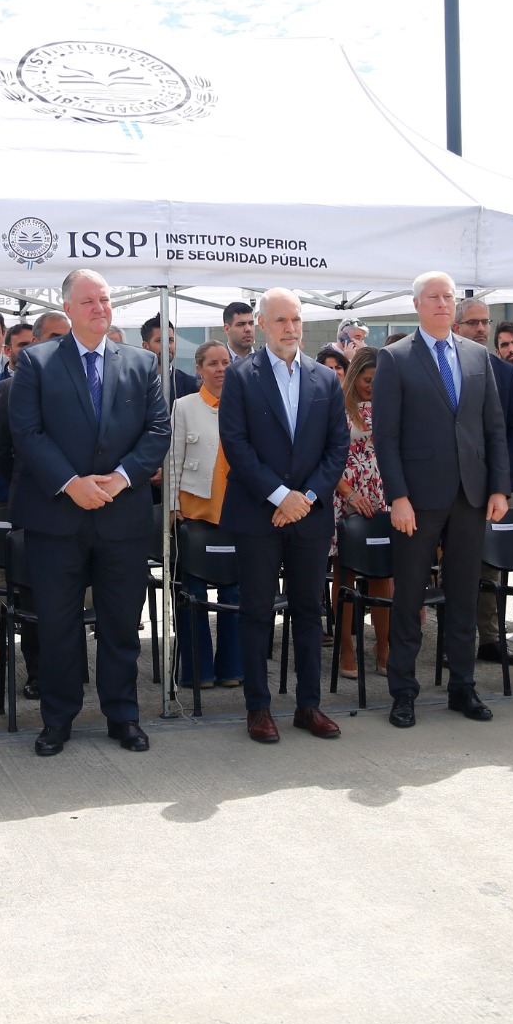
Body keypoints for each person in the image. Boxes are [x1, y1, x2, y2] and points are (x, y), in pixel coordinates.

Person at [8, 268, 170, 756]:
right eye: (89, 302)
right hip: (58, 519)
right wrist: (71, 484)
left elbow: (157, 432)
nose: (100, 308)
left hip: (122, 518)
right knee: (57, 625)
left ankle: (123, 715)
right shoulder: (36, 363)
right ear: (68, 310)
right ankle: (58, 719)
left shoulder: (142, 363)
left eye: (105, 300)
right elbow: (27, 433)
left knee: (122, 624)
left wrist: (121, 478)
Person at [371, 271, 512, 729]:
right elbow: (385, 436)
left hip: (470, 496)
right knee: (410, 594)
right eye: (433, 297)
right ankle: (404, 691)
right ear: (416, 304)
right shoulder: (395, 358)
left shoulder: (476, 355)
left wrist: (499, 486)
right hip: (418, 498)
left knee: (464, 594)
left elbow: (494, 427)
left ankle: (462, 686)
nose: (442, 303)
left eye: (448, 296)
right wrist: (398, 496)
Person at [218, 287, 349, 743]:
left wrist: (305, 497)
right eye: (279, 321)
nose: (290, 328)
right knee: (256, 612)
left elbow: (338, 448)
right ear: (261, 324)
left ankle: (308, 706)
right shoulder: (241, 376)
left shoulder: (325, 379)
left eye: (295, 320)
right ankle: (259, 708)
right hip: (258, 515)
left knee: (309, 610)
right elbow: (235, 444)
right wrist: (279, 496)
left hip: (309, 516)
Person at [0, 312, 58, 689]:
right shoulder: (10, 389)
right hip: (31, 508)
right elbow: (0, 449)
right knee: (31, 596)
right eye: (55, 337)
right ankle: (38, 675)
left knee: (69, 597)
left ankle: (71, 670)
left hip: (80, 511)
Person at [456, 296, 513, 667]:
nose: (482, 329)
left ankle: (490, 638)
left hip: (494, 487)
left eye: (485, 322)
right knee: (456, 566)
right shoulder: (445, 368)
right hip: (451, 488)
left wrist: (503, 478)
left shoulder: (504, 373)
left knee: (490, 566)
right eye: (473, 323)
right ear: (456, 327)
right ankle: (456, 643)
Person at [170, 340, 241, 690]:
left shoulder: (244, 404)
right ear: (199, 369)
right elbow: (172, 458)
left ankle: (231, 668)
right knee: (192, 595)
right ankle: (197, 671)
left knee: (234, 595)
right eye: (212, 363)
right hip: (194, 514)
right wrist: (171, 503)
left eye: (225, 362)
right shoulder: (183, 406)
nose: (220, 369)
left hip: (234, 516)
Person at [331, 346, 388, 678]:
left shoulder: (386, 405)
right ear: (355, 377)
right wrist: (348, 493)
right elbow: (324, 456)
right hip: (344, 494)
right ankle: (346, 651)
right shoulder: (337, 407)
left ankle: (384, 648)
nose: (372, 386)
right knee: (346, 575)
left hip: (377, 493)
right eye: (367, 380)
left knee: (383, 573)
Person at [142, 315, 200, 400]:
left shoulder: (190, 384)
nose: (167, 346)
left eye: (171, 340)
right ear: (145, 346)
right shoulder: (134, 381)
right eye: (160, 341)